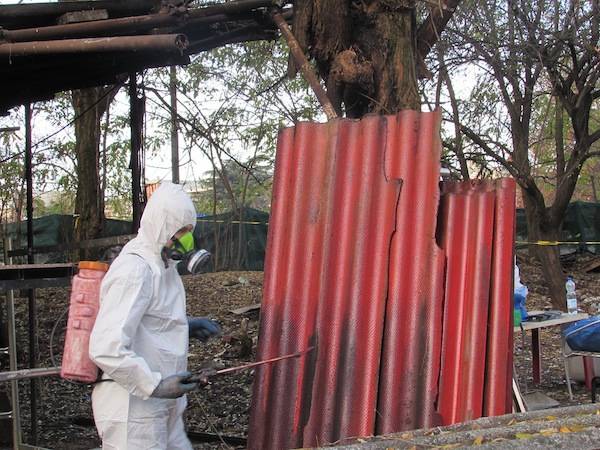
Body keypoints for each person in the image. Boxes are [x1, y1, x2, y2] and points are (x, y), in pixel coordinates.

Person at [89, 182, 220, 449]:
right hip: (133, 410)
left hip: (163, 407)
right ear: (161, 225)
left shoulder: (164, 267)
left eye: (189, 231)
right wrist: (155, 386)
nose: (186, 239)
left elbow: (151, 321)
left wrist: (185, 326)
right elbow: (106, 348)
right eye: (180, 231)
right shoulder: (134, 270)